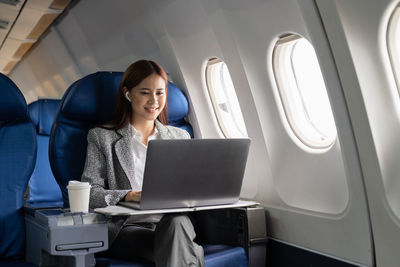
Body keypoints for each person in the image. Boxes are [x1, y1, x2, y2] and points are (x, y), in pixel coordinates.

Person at [81, 60, 204, 267]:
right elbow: (90, 193)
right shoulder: (101, 137)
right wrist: (128, 195)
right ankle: (193, 253)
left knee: (177, 224)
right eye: (145, 92)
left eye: (160, 92)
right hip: (127, 228)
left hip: (173, 223)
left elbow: (188, 186)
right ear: (127, 94)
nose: (154, 101)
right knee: (181, 247)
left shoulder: (179, 136)